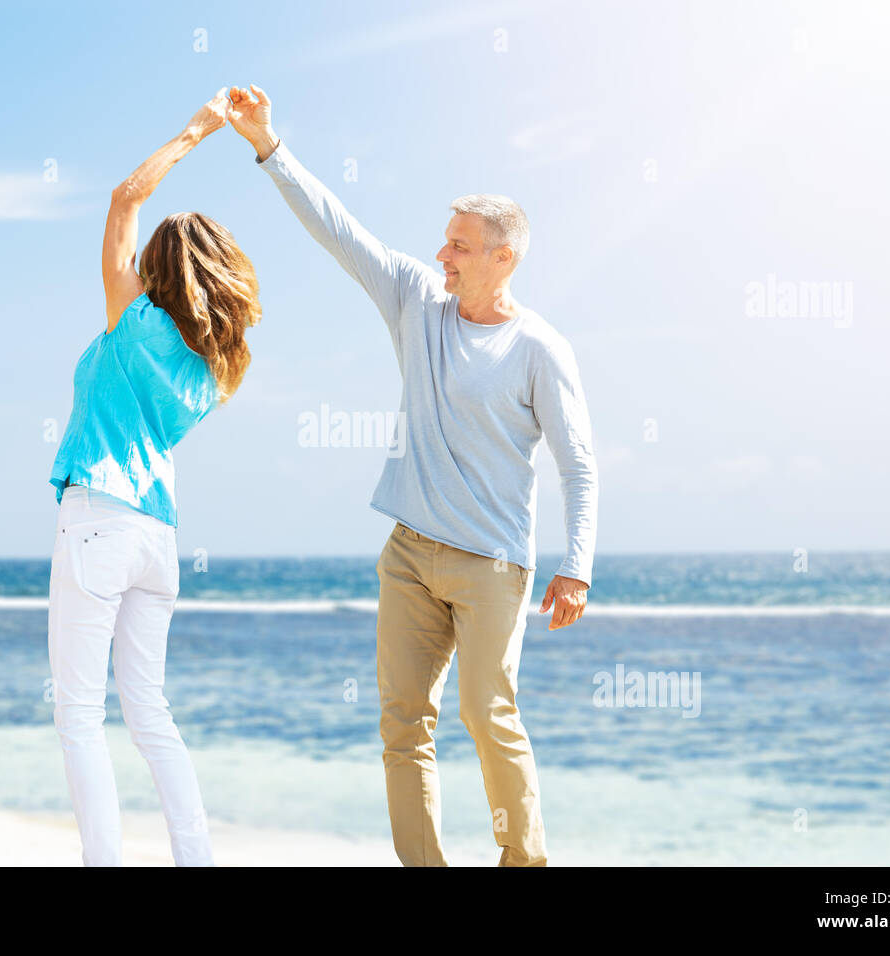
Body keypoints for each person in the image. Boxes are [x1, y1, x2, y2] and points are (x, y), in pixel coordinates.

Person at [226, 84, 598, 867]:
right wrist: (269, 146)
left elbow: (578, 464)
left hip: (493, 567)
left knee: (488, 713)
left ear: (505, 257)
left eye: (460, 245)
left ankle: (522, 860)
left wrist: (577, 568)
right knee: (403, 724)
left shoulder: (539, 349)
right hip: (408, 555)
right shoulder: (416, 301)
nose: (443, 254)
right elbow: (339, 231)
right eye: (445, 240)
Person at [47, 89, 261, 866]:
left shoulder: (131, 317)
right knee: (149, 714)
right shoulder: (214, 365)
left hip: (99, 519)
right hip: (158, 537)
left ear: (156, 270)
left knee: (78, 714)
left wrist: (199, 129)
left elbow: (124, 196)